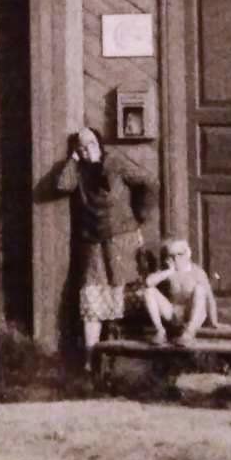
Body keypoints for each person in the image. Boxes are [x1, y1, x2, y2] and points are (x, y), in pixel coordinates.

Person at [55, 126, 155, 357]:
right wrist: (73, 159)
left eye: (91, 144)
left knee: (126, 292)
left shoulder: (115, 163)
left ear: (99, 144)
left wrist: (141, 213)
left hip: (122, 240)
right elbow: (62, 185)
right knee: (93, 298)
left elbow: (150, 181)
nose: (87, 150)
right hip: (93, 243)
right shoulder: (79, 170)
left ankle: (130, 354)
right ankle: (90, 360)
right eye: (81, 147)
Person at [143, 237, 219, 347]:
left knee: (200, 289)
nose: (175, 259)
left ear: (188, 253)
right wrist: (169, 271)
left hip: (191, 314)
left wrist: (214, 322)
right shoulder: (168, 271)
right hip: (173, 314)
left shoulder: (197, 272)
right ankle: (160, 331)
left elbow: (210, 298)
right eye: (171, 256)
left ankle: (189, 333)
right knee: (149, 291)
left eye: (179, 254)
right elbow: (148, 282)